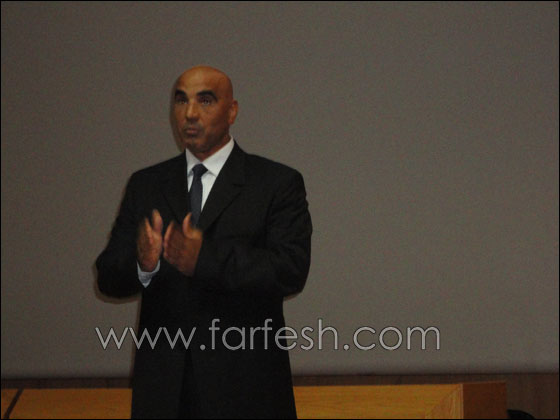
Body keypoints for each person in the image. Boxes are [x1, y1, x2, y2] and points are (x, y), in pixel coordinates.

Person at [96, 66, 312, 419]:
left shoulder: (275, 183)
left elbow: (290, 270)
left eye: (205, 100)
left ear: (232, 111)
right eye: (181, 100)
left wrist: (203, 259)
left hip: (248, 389)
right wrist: (143, 264)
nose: (190, 113)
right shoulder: (146, 184)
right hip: (164, 392)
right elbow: (107, 277)